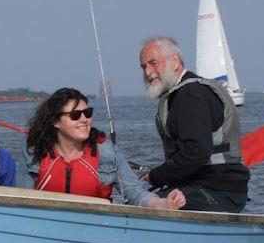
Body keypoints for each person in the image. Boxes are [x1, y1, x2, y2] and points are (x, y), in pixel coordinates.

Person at [138, 35, 250, 213]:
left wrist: (155, 176)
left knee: (148, 207)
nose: (147, 72)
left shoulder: (191, 96)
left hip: (218, 190)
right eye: (143, 66)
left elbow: (196, 153)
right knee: (142, 199)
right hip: (201, 186)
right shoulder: (180, 94)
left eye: (153, 63)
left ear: (174, 61)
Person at [27, 87, 186, 209]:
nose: (84, 120)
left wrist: (163, 203)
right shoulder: (35, 152)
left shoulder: (106, 150)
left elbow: (133, 191)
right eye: (75, 115)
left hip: (96, 227)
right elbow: (19, 198)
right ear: (56, 122)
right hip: (46, 228)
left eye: (87, 113)